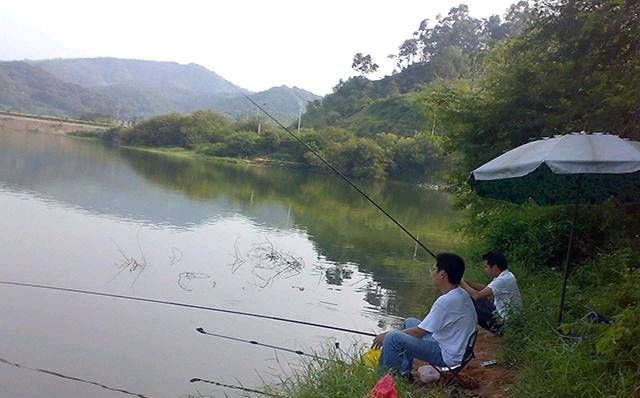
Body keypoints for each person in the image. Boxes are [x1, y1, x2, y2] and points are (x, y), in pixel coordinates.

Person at [372, 253, 477, 377]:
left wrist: (385, 335)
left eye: (433, 269)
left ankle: (386, 381)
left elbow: (419, 332)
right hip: (455, 347)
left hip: (446, 354)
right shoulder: (461, 294)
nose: (431, 273)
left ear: (442, 274)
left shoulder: (446, 302)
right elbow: (423, 329)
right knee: (410, 321)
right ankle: (405, 373)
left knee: (392, 338)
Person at [461, 251, 522, 333]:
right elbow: (485, 288)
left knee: (467, 304)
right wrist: (466, 281)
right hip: (500, 313)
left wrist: (461, 282)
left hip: (504, 323)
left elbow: (477, 295)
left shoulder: (502, 280)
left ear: (495, 267)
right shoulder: (506, 275)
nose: (485, 270)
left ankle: (466, 331)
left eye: (486, 267)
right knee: (469, 298)